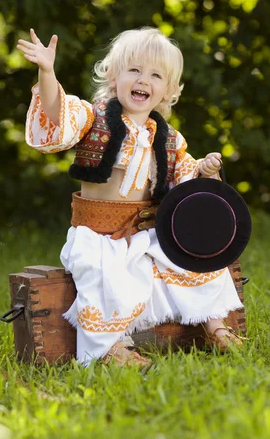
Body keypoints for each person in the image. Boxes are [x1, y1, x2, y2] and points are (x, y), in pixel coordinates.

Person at [17, 26, 244, 368]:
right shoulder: (92, 119)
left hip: (147, 231)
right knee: (108, 279)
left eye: (155, 75)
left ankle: (214, 325)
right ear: (114, 78)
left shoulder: (168, 139)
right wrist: (47, 72)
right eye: (134, 70)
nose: (143, 80)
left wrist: (204, 170)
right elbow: (55, 113)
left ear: (167, 91)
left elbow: (184, 180)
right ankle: (108, 349)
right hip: (98, 235)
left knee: (197, 265)